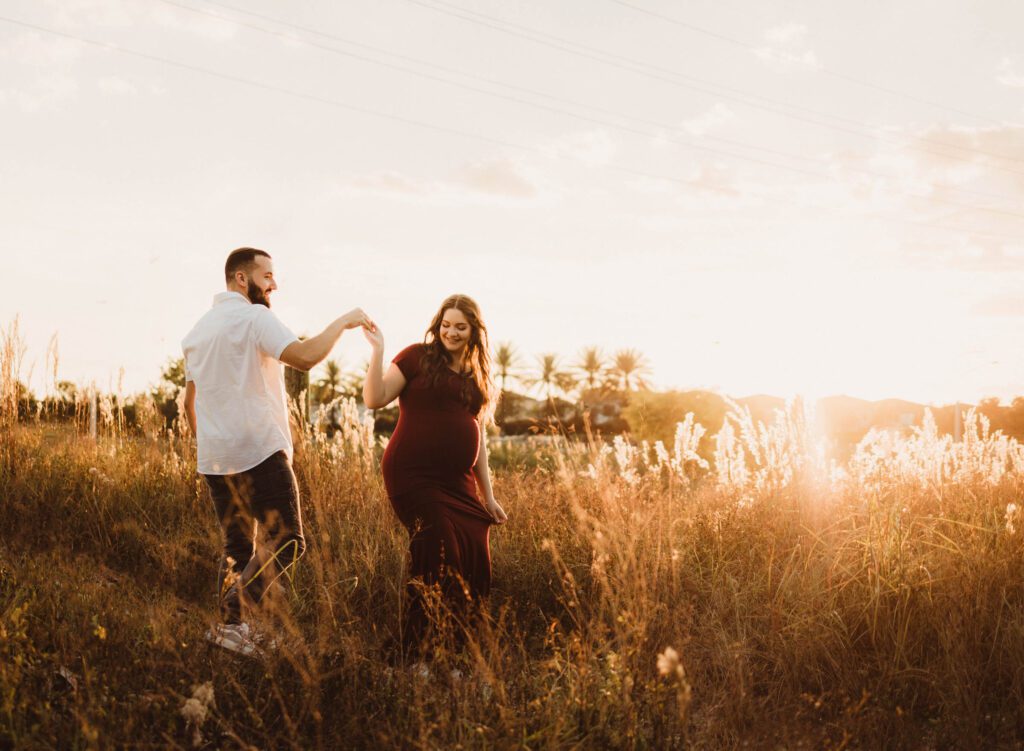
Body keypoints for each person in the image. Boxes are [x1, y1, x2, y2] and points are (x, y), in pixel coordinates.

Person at [182, 247, 372, 656]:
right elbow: (304, 358)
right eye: (267, 276)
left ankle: (230, 630)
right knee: (288, 542)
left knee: (237, 549)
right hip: (260, 452)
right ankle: (234, 612)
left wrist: (212, 447)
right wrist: (343, 322)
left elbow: (188, 404)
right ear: (240, 279)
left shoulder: (197, 332)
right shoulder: (255, 318)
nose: (274, 284)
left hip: (215, 459)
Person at [363, 294, 508, 663]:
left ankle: (456, 654)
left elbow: (478, 442)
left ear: (474, 330)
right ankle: (415, 656)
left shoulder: (475, 377)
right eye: (446, 325)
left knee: (475, 558)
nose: (451, 332)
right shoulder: (417, 358)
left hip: (457, 483)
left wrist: (487, 497)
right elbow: (374, 397)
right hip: (413, 475)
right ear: (437, 324)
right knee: (440, 553)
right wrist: (378, 351)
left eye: (460, 326)